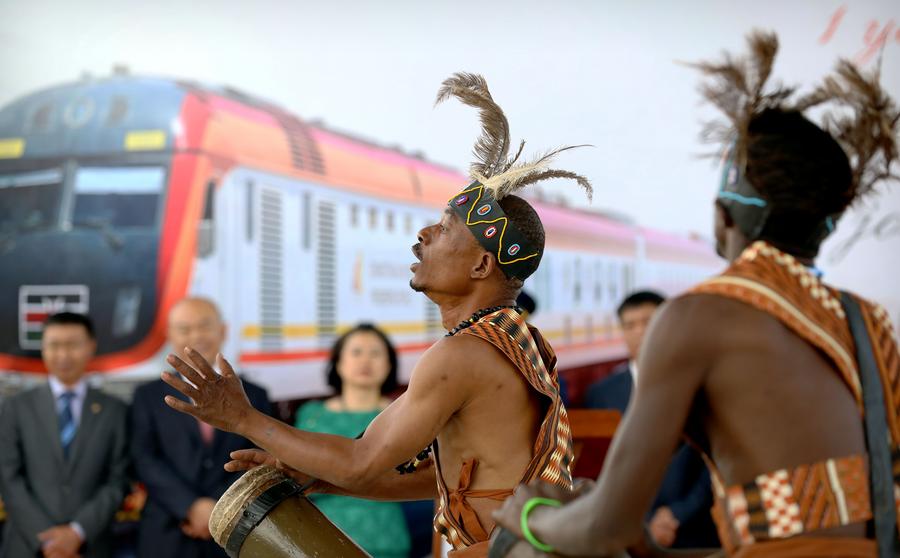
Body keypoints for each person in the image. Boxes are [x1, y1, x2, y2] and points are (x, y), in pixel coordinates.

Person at [492, 31, 900, 557]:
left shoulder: (698, 318)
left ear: (723, 214)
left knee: (522, 550)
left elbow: (603, 532)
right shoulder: (867, 320)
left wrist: (527, 513)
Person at [160, 72, 591, 557]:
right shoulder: (510, 338)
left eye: (445, 228)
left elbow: (363, 460)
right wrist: (323, 481)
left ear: (480, 264)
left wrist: (242, 417)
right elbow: (436, 477)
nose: (423, 234)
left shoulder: (463, 353)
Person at [130, 298, 272, 558]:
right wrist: (190, 506)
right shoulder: (146, 396)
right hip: (167, 531)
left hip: (235, 531)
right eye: (184, 329)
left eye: (205, 326)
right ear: (170, 336)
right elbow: (144, 458)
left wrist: (216, 507)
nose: (196, 336)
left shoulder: (256, 396)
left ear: (223, 331)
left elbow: (262, 456)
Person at [584, 290, 718, 549]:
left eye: (648, 322)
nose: (639, 332)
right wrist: (642, 522)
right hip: (625, 530)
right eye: (629, 325)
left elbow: (714, 462)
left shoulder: (701, 389)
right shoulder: (601, 393)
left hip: (695, 529)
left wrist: (677, 514)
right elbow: (599, 468)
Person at [0, 313, 130, 558]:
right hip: (26, 545)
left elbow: (118, 480)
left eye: (72, 345)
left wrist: (77, 532)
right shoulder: (16, 407)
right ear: (42, 348)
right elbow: (8, 478)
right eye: (54, 345)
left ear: (91, 346)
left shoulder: (115, 410)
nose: (63, 355)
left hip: (90, 545)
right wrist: (48, 539)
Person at [294, 323, 411, 558]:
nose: (365, 361)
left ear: (389, 365)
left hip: (385, 537)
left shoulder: (404, 415)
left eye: (376, 353)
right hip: (320, 538)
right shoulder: (312, 415)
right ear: (338, 362)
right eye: (356, 352)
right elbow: (296, 477)